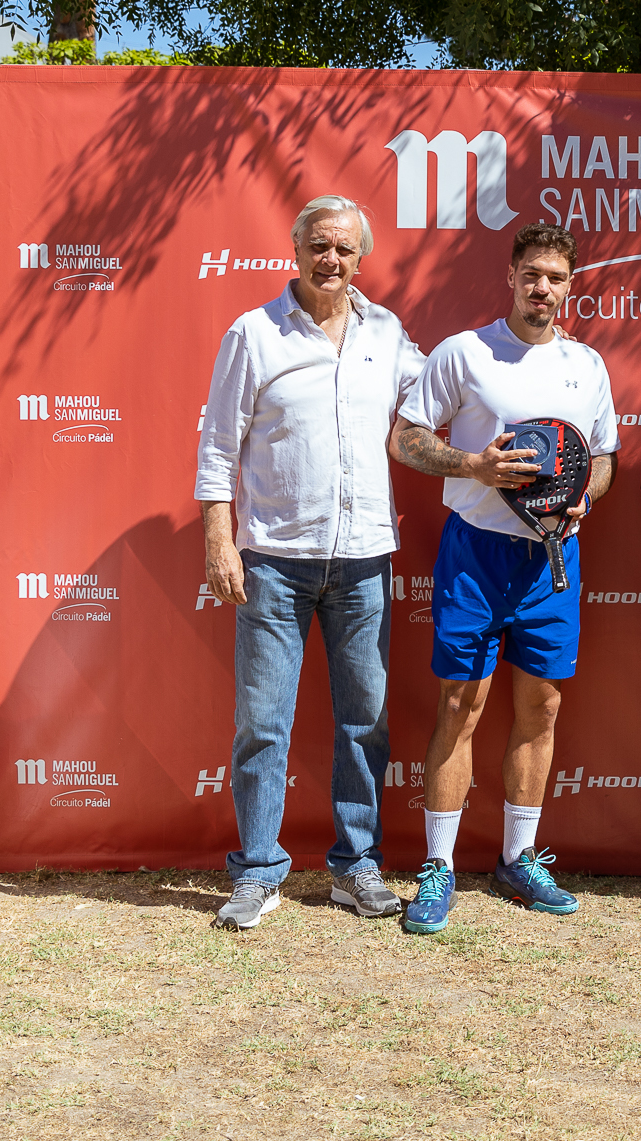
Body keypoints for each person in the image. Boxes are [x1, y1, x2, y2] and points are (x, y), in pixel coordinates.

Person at [195, 195, 426, 931]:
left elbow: (440, 396)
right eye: (319, 245)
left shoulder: (387, 332)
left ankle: (356, 866)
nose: (331, 259)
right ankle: (257, 872)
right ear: (295, 250)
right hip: (274, 560)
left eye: (344, 249)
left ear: (362, 258)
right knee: (262, 724)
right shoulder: (254, 333)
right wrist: (219, 539)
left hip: (364, 560)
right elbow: (217, 446)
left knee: (366, 721)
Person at [387, 222, 619, 934]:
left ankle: (518, 858)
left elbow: (603, 457)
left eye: (556, 277)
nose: (542, 288)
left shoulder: (587, 364)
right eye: (532, 274)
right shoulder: (465, 352)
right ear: (511, 276)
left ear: (570, 286)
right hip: (476, 554)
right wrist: (474, 466)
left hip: (553, 559)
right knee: (460, 706)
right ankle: (438, 867)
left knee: (541, 708)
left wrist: (588, 498)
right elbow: (406, 438)